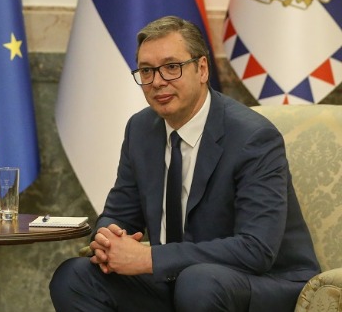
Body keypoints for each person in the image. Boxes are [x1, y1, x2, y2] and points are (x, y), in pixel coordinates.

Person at [49, 16, 320, 311]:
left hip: (262, 282)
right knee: (73, 277)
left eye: (171, 67)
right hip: (177, 280)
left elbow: (256, 249)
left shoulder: (253, 137)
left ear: (202, 69)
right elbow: (119, 213)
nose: (157, 81)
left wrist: (150, 259)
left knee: (198, 282)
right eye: (147, 71)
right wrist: (107, 239)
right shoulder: (141, 129)